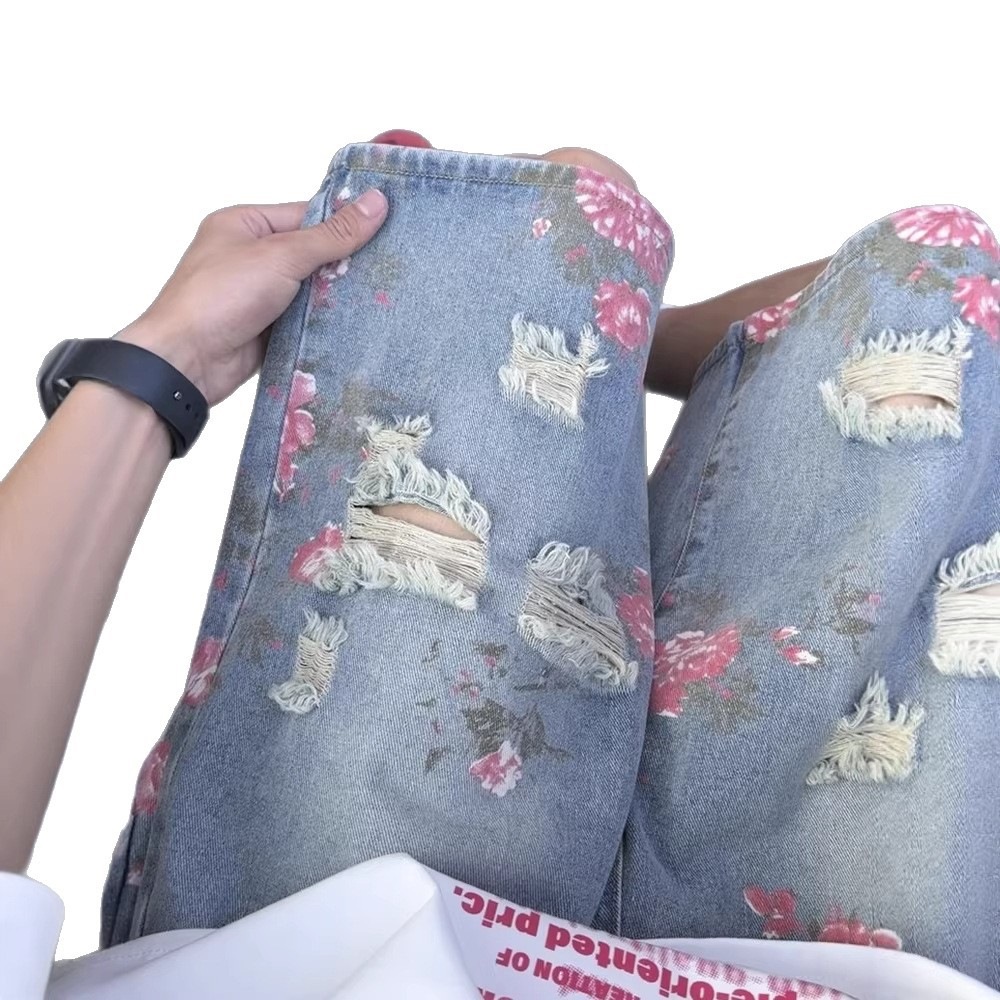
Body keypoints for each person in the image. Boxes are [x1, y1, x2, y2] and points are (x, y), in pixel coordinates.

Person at [1, 133, 998, 999]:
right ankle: (694, 350)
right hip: (842, 972)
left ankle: (622, 334)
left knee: (561, 216)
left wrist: (165, 361)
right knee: (942, 276)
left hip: (328, 931)